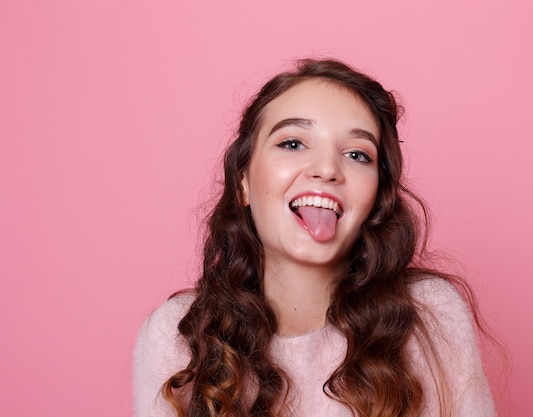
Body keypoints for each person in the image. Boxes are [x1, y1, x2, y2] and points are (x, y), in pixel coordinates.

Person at [133, 58, 496, 417]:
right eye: (292, 143)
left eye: (357, 154)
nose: (327, 169)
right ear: (243, 181)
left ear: (375, 198)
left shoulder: (428, 315)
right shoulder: (175, 337)